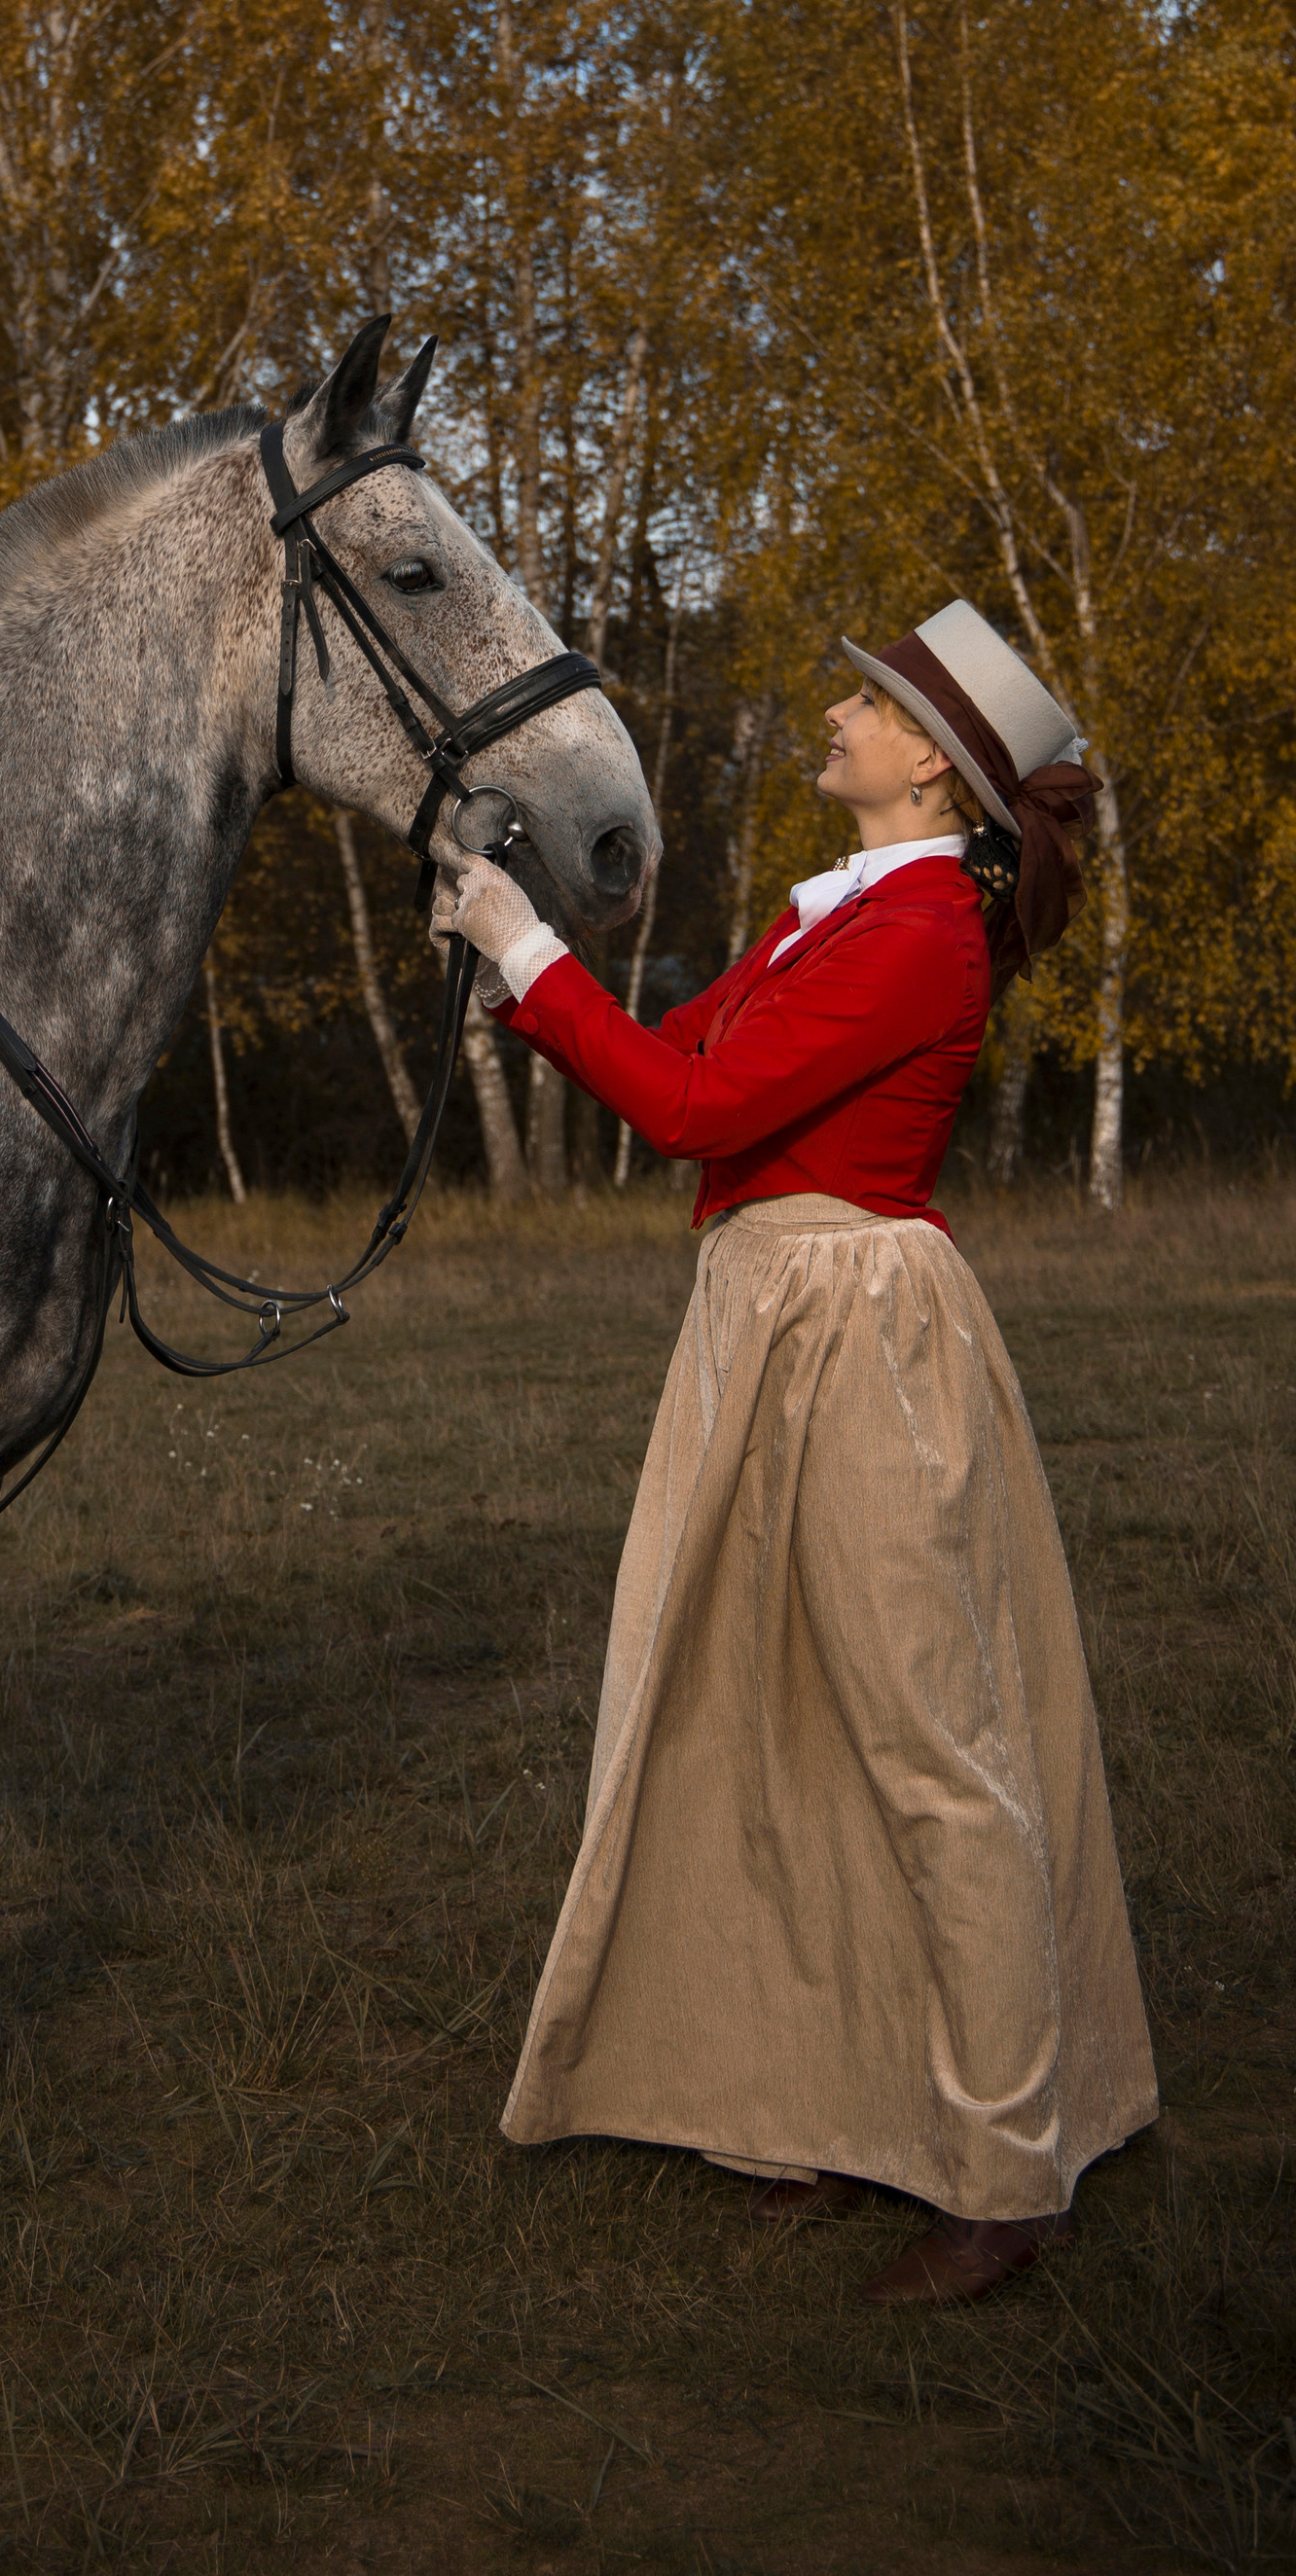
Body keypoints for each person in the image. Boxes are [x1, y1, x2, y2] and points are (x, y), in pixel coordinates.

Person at [434, 601, 1158, 2305]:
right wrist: (514, 968)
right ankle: (825, 2107)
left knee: (922, 1738)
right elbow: (685, 1053)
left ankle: (1001, 2169)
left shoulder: (923, 936)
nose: (833, 714)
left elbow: (692, 1116)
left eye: (869, 703)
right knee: (772, 1719)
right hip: (765, 1313)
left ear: (930, 765)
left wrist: (528, 950)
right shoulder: (837, 911)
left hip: (856, 1332)